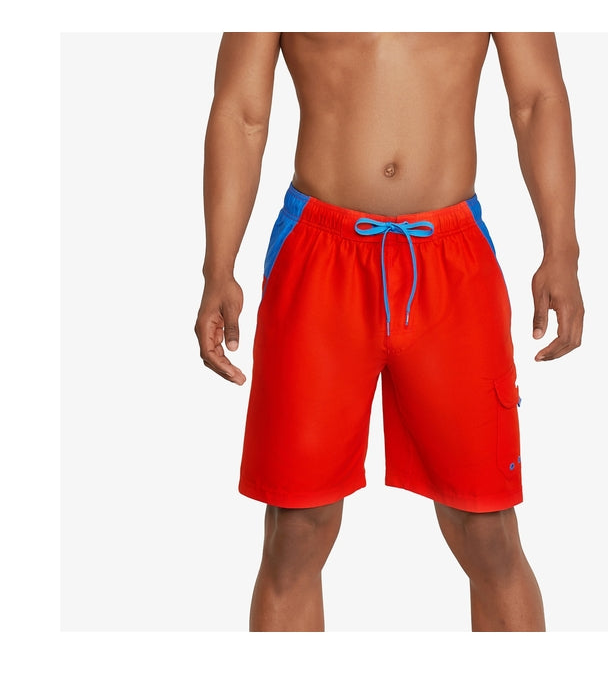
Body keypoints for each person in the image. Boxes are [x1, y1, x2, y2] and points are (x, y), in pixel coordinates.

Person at [194, 32, 584, 632]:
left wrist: (562, 249)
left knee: (487, 529)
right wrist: (218, 267)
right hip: (317, 254)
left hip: (451, 259)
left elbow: (537, 98)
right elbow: (241, 113)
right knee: (295, 530)